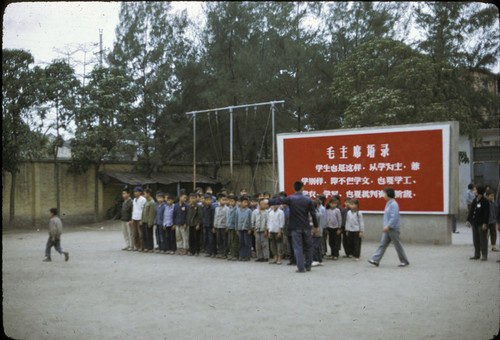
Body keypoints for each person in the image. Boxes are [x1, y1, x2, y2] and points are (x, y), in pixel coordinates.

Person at [265, 181, 319, 273]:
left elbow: (280, 200)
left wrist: (268, 201)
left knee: (298, 247)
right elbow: (313, 213)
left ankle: (301, 268)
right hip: (306, 226)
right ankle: (308, 266)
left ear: (294, 188)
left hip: (295, 227)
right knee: (309, 247)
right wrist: (316, 226)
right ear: (302, 188)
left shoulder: (291, 199)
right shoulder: (308, 199)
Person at [369, 187, 410, 267]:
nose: (383, 195)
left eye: (384, 193)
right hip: (388, 228)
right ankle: (375, 260)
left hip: (393, 228)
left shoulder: (394, 204)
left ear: (388, 194)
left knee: (397, 245)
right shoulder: (389, 203)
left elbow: (394, 217)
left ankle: (404, 261)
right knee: (382, 244)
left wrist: (389, 226)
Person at [466, 185, 490, 261]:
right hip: (475, 223)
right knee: (475, 239)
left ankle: (484, 255)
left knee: (483, 239)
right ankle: (477, 254)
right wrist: (469, 221)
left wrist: (485, 223)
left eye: (475, 190)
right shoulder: (474, 200)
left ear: (479, 191)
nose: (474, 191)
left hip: (481, 224)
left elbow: (486, 213)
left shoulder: (485, 201)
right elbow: (471, 211)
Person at [267, 198, 285, 265]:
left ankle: (280, 258)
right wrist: (269, 231)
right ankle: (275, 258)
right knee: (273, 245)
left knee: (279, 244)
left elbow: (281, 222)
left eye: (276, 205)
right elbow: (269, 222)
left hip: (278, 230)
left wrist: (280, 231)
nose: (274, 206)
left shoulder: (281, 212)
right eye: (273, 205)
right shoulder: (270, 213)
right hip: (272, 230)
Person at [236, 196, 253, 261]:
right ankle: (241, 255)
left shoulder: (249, 211)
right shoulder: (238, 211)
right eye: (244, 202)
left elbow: (250, 220)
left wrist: (250, 228)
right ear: (240, 203)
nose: (245, 203)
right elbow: (236, 220)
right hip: (240, 229)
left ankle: (247, 255)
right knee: (241, 242)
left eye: (247, 202)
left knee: (247, 242)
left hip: (246, 229)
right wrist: (236, 229)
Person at [131, 186, 146, 252]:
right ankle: (136, 246)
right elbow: (133, 209)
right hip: (134, 218)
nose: (135, 193)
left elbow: (143, 210)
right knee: (135, 233)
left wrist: (142, 219)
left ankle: (141, 246)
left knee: (141, 234)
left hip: (140, 218)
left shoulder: (143, 199)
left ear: (140, 192)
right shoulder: (134, 200)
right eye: (134, 192)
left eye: (136, 191)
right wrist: (132, 218)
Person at [214, 193, 229, 259]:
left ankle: (225, 253)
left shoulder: (226, 209)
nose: (224, 201)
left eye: (225, 200)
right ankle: (220, 252)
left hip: (223, 226)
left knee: (224, 240)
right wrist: (214, 226)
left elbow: (227, 217)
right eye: (223, 200)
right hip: (218, 226)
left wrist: (227, 226)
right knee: (218, 240)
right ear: (219, 200)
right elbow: (215, 217)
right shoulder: (216, 208)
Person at [141, 189, 156, 253]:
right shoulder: (146, 201)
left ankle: (150, 247)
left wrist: (150, 222)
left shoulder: (152, 202)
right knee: (144, 235)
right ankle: (145, 246)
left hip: (148, 221)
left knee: (149, 235)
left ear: (148, 194)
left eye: (144, 193)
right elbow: (143, 212)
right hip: (144, 220)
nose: (144, 195)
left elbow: (151, 213)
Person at [311, 200, 324, 267]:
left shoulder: (315, 214)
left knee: (314, 246)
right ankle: (319, 260)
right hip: (319, 231)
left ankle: (315, 260)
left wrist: (313, 231)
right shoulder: (318, 213)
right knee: (317, 246)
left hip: (316, 232)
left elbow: (315, 224)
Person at [226, 195, 239, 261]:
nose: (231, 203)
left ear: (236, 202)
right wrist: (227, 226)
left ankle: (235, 255)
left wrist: (237, 228)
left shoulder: (237, 210)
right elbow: (228, 218)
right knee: (230, 241)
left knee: (235, 242)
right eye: (230, 201)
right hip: (230, 227)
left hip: (234, 228)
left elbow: (237, 220)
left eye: (232, 201)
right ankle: (231, 254)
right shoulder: (230, 209)